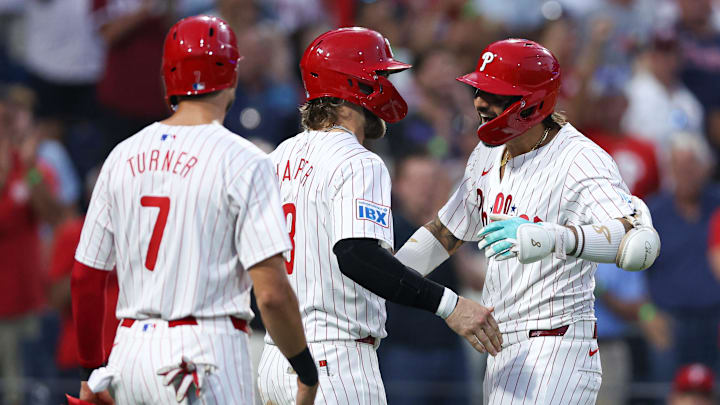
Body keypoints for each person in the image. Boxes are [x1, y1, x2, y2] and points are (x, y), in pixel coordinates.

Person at [393, 38, 661, 404]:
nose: (479, 102)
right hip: (502, 346)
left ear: (533, 101)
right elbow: (445, 233)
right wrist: (384, 278)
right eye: (479, 90)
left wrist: (554, 237)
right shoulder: (487, 153)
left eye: (495, 94)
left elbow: (635, 242)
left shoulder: (580, 158)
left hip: (558, 345)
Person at [69, 15, 317, 405]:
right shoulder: (245, 160)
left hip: (129, 352)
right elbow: (270, 295)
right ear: (231, 76)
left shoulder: (122, 155)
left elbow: (85, 277)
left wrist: (89, 369)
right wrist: (304, 367)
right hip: (203, 355)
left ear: (168, 79)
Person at [257, 27, 502, 405]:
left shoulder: (277, 158)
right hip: (334, 360)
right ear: (357, 83)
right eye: (381, 76)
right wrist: (450, 306)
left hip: (278, 355)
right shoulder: (358, 160)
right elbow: (356, 256)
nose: (387, 86)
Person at [644, 132, 720, 381]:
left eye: (691, 165)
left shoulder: (717, 206)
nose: (685, 173)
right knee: (667, 393)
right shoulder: (652, 213)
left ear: (705, 167)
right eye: (678, 166)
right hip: (669, 322)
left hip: (715, 319)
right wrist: (647, 314)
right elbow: (631, 273)